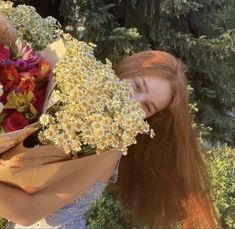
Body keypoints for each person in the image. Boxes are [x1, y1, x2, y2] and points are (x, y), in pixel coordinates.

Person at [1, 50, 220, 229]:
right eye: (136, 87)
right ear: (124, 72)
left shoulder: (108, 148)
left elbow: (29, 212)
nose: (132, 102)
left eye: (146, 107)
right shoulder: (76, 110)